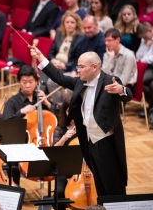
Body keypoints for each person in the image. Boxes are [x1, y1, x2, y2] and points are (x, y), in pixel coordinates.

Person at [29, 46, 133, 196]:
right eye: (77, 66)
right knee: (100, 185)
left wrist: (121, 90)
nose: (78, 70)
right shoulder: (80, 82)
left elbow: (127, 95)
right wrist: (41, 57)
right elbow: (59, 77)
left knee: (113, 186)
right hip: (89, 142)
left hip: (106, 143)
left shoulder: (110, 81)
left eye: (81, 67)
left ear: (94, 67)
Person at [1, 65, 53, 185]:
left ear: (36, 82)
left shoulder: (41, 99)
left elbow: (58, 117)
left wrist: (47, 103)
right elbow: (5, 123)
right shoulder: (12, 102)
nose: (28, 85)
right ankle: (15, 187)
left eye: (31, 82)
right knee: (12, 156)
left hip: (42, 141)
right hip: (20, 142)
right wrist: (20, 112)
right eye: (24, 82)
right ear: (19, 82)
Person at [47, 11, 84, 105]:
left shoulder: (81, 38)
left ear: (77, 24)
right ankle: (50, 103)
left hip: (67, 67)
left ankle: (59, 106)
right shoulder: (59, 34)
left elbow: (78, 58)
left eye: (72, 22)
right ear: (63, 23)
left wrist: (65, 65)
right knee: (42, 73)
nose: (69, 25)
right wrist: (53, 61)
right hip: (55, 64)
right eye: (67, 22)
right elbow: (50, 53)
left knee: (51, 80)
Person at [53, 98, 77, 210]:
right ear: (65, 111)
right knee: (59, 192)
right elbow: (54, 151)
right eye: (69, 110)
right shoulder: (60, 128)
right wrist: (64, 138)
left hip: (82, 169)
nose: (72, 113)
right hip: (63, 169)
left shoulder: (84, 127)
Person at [102, 28, 137, 93]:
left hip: (125, 88)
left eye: (109, 40)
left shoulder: (129, 56)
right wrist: (110, 59)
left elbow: (124, 81)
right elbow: (103, 74)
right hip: (110, 83)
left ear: (117, 40)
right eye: (105, 40)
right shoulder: (107, 54)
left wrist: (108, 84)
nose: (106, 43)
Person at [136, 22, 153, 126]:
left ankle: (151, 108)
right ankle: (151, 107)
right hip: (147, 67)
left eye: (145, 36)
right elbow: (138, 54)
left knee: (141, 81)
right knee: (147, 85)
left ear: (150, 31)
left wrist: (142, 60)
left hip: (151, 67)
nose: (144, 38)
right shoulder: (144, 40)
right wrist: (146, 46)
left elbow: (151, 58)